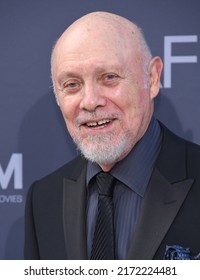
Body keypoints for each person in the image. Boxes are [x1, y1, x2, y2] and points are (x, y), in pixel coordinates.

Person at [24, 11, 200, 260]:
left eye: (109, 77)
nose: (91, 102)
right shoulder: (43, 199)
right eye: (72, 84)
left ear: (152, 78)